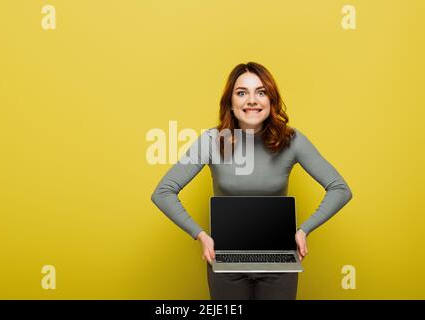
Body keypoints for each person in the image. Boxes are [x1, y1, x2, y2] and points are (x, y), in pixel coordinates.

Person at [150, 62, 353, 300]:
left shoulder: (292, 141)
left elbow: (340, 189)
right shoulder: (211, 141)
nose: (252, 100)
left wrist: (303, 230)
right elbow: (163, 192)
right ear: (231, 102)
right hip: (226, 262)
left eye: (261, 92)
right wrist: (201, 236)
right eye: (242, 93)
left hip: (279, 263)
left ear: (271, 100)